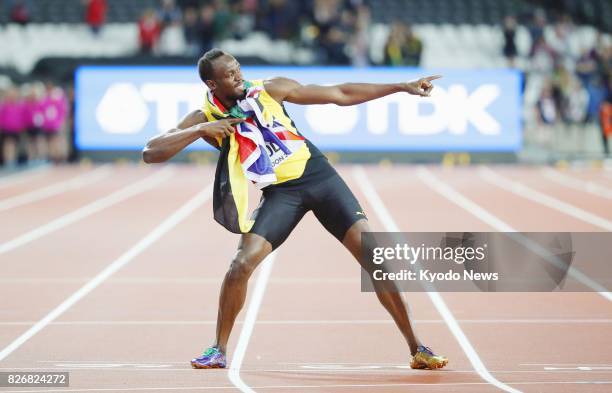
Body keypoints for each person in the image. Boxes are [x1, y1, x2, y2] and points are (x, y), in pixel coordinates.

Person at [142, 49, 448, 370]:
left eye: (238, 69)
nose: (239, 76)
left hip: (320, 178)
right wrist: (199, 131)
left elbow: (340, 94)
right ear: (211, 84)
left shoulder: (270, 88)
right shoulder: (205, 117)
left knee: (375, 257)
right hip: (280, 193)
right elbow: (151, 151)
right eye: (230, 75)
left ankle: (418, 349)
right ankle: (218, 349)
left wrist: (401, 86)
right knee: (240, 265)